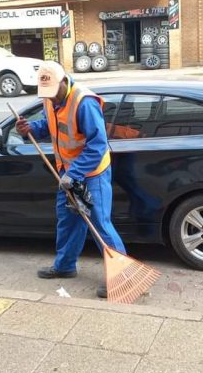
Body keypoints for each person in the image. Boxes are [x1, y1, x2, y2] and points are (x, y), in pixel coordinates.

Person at [15, 61, 126, 298]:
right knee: (67, 220)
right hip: (66, 172)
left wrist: (74, 174)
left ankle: (121, 276)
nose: (51, 99)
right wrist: (30, 129)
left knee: (99, 224)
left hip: (91, 173)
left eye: (54, 93)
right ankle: (65, 266)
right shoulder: (50, 97)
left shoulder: (84, 103)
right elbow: (50, 126)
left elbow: (97, 145)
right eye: (47, 95)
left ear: (64, 82)